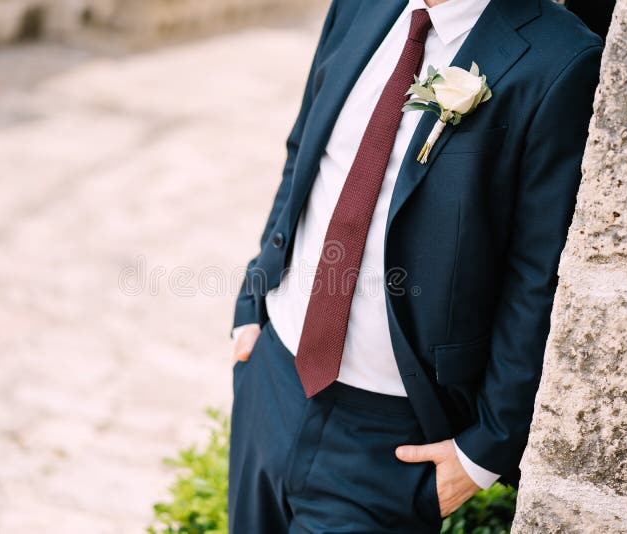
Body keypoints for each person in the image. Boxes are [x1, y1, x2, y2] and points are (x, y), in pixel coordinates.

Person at [229, 0, 602, 532]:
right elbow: (305, 153)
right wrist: (252, 301)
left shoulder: (562, 59)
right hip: (272, 381)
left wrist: (484, 451)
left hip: (394, 439)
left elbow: (536, 276)